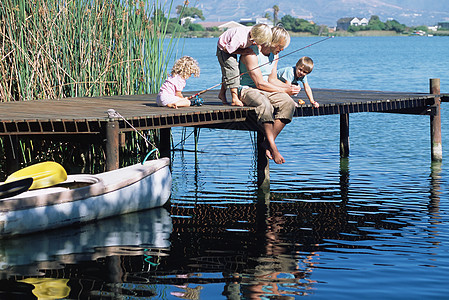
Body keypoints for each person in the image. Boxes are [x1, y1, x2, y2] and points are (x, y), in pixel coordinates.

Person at [239, 26, 301, 164]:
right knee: (265, 105)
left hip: (266, 89)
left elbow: (272, 80)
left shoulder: (275, 55)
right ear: (272, 41)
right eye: (280, 45)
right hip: (247, 89)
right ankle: (273, 147)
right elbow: (259, 83)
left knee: (289, 103)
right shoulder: (251, 54)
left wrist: (288, 87)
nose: (282, 49)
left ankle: (266, 143)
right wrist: (285, 91)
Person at [216, 24, 272, 106]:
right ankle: (234, 98)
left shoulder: (253, 33)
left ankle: (222, 94)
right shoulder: (240, 39)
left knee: (228, 72)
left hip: (233, 46)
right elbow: (227, 49)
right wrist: (242, 52)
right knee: (232, 70)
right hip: (224, 48)